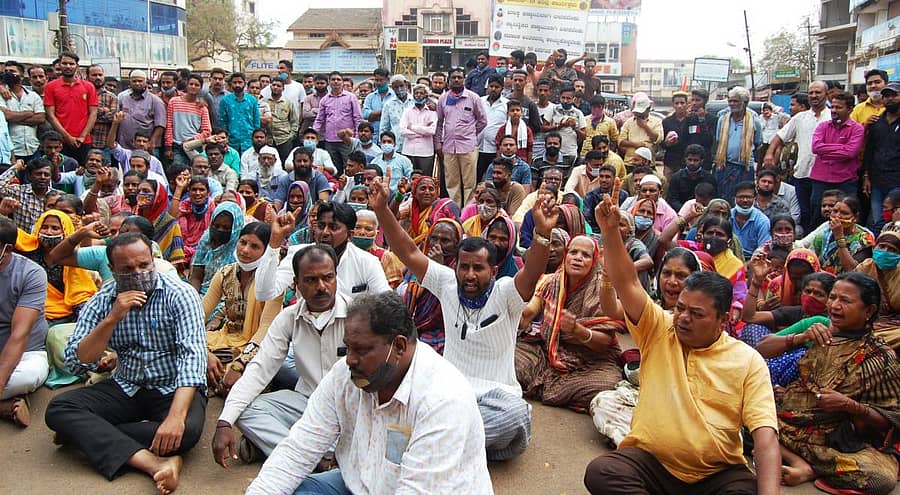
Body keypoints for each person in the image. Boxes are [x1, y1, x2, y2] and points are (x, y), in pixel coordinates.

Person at [584, 180, 781, 495]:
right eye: (682, 309)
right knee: (603, 472)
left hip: (717, 473)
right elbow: (627, 283)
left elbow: (766, 438)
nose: (684, 318)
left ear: (723, 319)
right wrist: (609, 231)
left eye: (697, 314)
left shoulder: (747, 361)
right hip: (652, 463)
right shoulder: (660, 326)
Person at [372, 166, 560, 461]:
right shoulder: (446, 282)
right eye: (464, 266)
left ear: (493, 271)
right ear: (455, 266)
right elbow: (407, 251)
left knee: (513, 416)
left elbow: (534, 270)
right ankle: (433, 450)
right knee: (403, 392)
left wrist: (543, 234)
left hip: (495, 399)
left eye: (478, 268)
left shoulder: (506, 293)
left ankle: (432, 445)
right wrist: (383, 210)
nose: (470, 275)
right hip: (449, 392)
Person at [243, 291, 491, 494]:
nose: (349, 360)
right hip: (361, 484)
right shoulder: (345, 375)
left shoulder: (442, 400)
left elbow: (417, 491)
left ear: (399, 346)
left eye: (360, 350)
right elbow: (299, 448)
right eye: (347, 348)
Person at [45, 233, 206, 494]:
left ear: (153, 260)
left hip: (172, 387)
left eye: (144, 265)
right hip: (127, 384)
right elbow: (78, 359)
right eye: (127, 269)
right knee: (59, 408)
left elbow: (192, 358)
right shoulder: (104, 298)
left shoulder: (180, 294)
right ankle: (153, 462)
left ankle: (89, 435)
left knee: (184, 433)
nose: (138, 273)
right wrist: (111, 319)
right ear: (112, 270)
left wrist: (175, 417)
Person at [213, 243, 347, 465]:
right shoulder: (288, 318)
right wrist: (224, 422)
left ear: (336, 278)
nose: (322, 287)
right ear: (296, 284)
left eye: (328, 278)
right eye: (311, 280)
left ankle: (281, 449)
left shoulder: (358, 316)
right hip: (307, 402)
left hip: (348, 410)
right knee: (244, 410)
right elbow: (260, 369)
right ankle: (315, 461)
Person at [773, 272, 900, 495]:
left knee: (881, 479)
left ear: (868, 311)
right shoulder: (819, 332)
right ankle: (798, 461)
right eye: (832, 298)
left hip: (832, 440)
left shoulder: (880, 356)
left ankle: (808, 468)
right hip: (785, 423)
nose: (835, 306)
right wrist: (799, 338)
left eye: (846, 301)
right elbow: (760, 349)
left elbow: (890, 419)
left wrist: (849, 406)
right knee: (738, 420)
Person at [516, 234, 624, 411]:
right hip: (550, 354)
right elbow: (528, 313)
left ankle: (545, 388)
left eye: (585, 255)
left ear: (594, 260)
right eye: (573, 252)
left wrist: (577, 330)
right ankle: (556, 389)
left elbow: (604, 343)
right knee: (512, 360)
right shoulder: (551, 281)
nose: (578, 258)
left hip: (591, 361)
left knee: (608, 383)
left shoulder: (601, 289)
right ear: (566, 255)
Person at [202, 222, 281, 400]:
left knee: (242, 379)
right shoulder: (225, 273)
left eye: (255, 246)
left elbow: (266, 329)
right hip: (224, 340)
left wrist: (240, 362)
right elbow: (199, 314)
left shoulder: (274, 281)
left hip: (257, 346)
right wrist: (203, 353)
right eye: (243, 242)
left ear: (266, 250)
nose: (245, 250)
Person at [256, 201, 391, 301]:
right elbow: (264, 294)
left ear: (350, 235)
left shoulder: (367, 262)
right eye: (321, 226)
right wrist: (275, 241)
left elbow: (386, 302)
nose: (325, 232)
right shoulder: (299, 255)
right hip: (307, 330)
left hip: (350, 334)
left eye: (333, 227)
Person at [0, 217, 48, 427]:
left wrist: (0, 382)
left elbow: (20, 333)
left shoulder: (31, 274)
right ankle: (4, 406)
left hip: (25, 354)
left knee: (28, 376)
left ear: (7, 249)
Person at [765, 82, 830, 233]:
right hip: (801, 173)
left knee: (818, 211)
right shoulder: (800, 118)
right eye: (811, 92)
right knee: (804, 213)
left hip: (823, 175)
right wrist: (769, 153)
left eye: (818, 92)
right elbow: (780, 136)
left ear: (826, 94)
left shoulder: (831, 116)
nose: (814, 96)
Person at [810, 91, 865, 228]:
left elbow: (850, 153)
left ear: (850, 109)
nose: (834, 110)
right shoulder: (823, 126)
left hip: (845, 180)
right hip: (820, 179)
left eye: (839, 107)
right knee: (817, 216)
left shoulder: (857, 129)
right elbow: (816, 148)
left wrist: (826, 150)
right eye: (832, 107)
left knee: (846, 217)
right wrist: (841, 147)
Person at [435, 66, 487, 206]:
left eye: (459, 77)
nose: (456, 80)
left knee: (469, 183)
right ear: (449, 80)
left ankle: (468, 213)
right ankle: (455, 211)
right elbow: (439, 123)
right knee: (452, 183)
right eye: (453, 77)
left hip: (468, 147)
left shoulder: (473, 98)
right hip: (449, 147)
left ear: (464, 79)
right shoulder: (443, 99)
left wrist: (470, 133)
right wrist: (438, 145)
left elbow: (482, 121)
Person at [43, 51, 98, 164]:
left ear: (77, 66)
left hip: (84, 140)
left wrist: (82, 136)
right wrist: (67, 137)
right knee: (60, 173)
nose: (68, 66)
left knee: (84, 174)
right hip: (61, 141)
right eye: (65, 63)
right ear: (60, 65)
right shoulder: (51, 87)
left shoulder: (88, 86)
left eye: (71, 64)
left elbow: (93, 113)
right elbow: (50, 115)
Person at [862, 81, 900, 230]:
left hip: (897, 180)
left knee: (895, 221)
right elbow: (869, 151)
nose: (890, 99)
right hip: (877, 180)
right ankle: (878, 252)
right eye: (886, 96)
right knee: (878, 221)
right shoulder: (877, 122)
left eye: (894, 95)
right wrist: (866, 176)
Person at [713, 86, 762, 203]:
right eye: (730, 101)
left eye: (735, 101)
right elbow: (718, 141)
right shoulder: (723, 119)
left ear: (744, 103)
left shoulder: (754, 121)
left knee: (743, 198)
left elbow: (758, 144)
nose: (732, 104)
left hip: (744, 168)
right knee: (722, 198)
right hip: (725, 166)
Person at [808, 194, 875, 274]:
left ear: (855, 217)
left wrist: (839, 237)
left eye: (844, 213)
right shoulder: (824, 234)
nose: (837, 216)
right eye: (835, 211)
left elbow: (852, 269)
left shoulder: (865, 238)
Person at [855, 230, 900, 348]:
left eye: (892, 250)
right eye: (882, 246)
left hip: (894, 326)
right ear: (874, 247)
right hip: (864, 319)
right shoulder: (865, 267)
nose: (885, 251)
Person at [189, 201, 245, 294]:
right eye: (217, 226)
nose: (220, 230)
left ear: (235, 229)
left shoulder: (241, 247)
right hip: (203, 292)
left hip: (228, 298)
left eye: (226, 227)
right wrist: (194, 299)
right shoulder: (207, 239)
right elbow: (196, 277)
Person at [315, 71, 362, 176]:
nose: (336, 82)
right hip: (330, 140)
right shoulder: (324, 100)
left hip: (347, 140)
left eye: (338, 79)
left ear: (342, 82)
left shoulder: (351, 97)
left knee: (350, 167)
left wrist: (357, 137)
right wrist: (313, 135)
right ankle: (337, 189)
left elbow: (358, 118)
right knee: (334, 169)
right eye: (333, 79)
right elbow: (319, 120)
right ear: (329, 82)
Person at [136, 178, 186, 266]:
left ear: (157, 196)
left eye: (145, 191)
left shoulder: (170, 224)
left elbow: (177, 259)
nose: (141, 194)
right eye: (139, 191)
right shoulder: (134, 220)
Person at [399, 175, 460, 245]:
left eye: (431, 189)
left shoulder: (443, 207)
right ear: (414, 193)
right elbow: (393, 215)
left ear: (436, 193)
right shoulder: (410, 206)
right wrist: (400, 194)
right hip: (412, 248)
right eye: (423, 188)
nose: (427, 192)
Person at [0, 157, 57, 233]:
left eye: (46, 175)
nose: (43, 177)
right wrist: (16, 168)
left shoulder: (56, 196)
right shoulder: (19, 191)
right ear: (30, 176)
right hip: (21, 241)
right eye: (38, 174)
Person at [115, 70, 166, 152]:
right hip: (124, 147)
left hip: (145, 147)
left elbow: (160, 125)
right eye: (134, 81)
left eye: (140, 81)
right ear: (130, 82)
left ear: (145, 82)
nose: (137, 83)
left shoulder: (156, 101)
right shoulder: (124, 99)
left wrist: (152, 142)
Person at [173, 175, 213, 266]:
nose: (197, 193)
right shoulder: (184, 206)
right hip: (183, 248)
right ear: (189, 191)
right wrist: (179, 188)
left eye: (201, 190)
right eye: (194, 190)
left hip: (204, 250)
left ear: (208, 192)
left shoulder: (212, 208)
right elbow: (171, 219)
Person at [399, 83, 437, 175]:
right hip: (408, 151)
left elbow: (432, 130)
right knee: (408, 179)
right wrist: (423, 133)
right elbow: (402, 130)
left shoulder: (432, 112)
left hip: (425, 152)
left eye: (421, 93)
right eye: (416, 93)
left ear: (426, 96)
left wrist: (412, 127)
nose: (419, 95)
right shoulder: (407, 111)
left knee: (425, 179)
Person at [218, 72, 260, 155]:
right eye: (234, 82)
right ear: (231, 84)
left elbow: (256, 121)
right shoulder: (225, 101)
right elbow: (222, 122)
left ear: (245, 83)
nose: (237, 85)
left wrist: (256, 138)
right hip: (232, 141)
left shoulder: (252, 100)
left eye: (240, 82)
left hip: (249, 141)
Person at [666, 144, 716, 212]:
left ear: (702, 161)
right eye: (690, 160)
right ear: (685, 159)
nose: (692, 163)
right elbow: (672, 200)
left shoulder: (710, 178)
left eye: (696, 160)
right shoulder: (676, 177)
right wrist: (687, 210)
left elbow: (713, 200)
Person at [731, 180, 772, 258]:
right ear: (734, 198)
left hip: (752, 260)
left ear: (755, 198)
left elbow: (764, 249)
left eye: (749, 197)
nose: (745, 200)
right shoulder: (727, 216)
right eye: (741, 197)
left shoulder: (762, 221)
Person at [617, 92, 661, 164]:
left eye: (641, 112)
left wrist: (645, 127)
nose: (638, 114)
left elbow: (657, 139)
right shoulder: (628, 122)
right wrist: (635, 144)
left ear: (648, 109)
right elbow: (621, 142)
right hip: (630, 162)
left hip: (648, 163)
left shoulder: (656, 122)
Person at [379, 74, 413, 153]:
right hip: (396, 147)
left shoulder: (414, 101)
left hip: (413, 146)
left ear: (406, 85)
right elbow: (384, 127)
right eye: (396, 87)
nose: (399, 89)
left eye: (401, 86)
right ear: (392, 88)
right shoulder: (389, 104)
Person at [661, 91, 691, 176]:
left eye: (682, 103)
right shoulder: (666, 122)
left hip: (687, 162)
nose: (679, 106)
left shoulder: (692, 120)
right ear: (673, 105)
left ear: (687, 104)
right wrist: (667, 143)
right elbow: (661, 143)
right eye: (676, 103)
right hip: (670, 161)